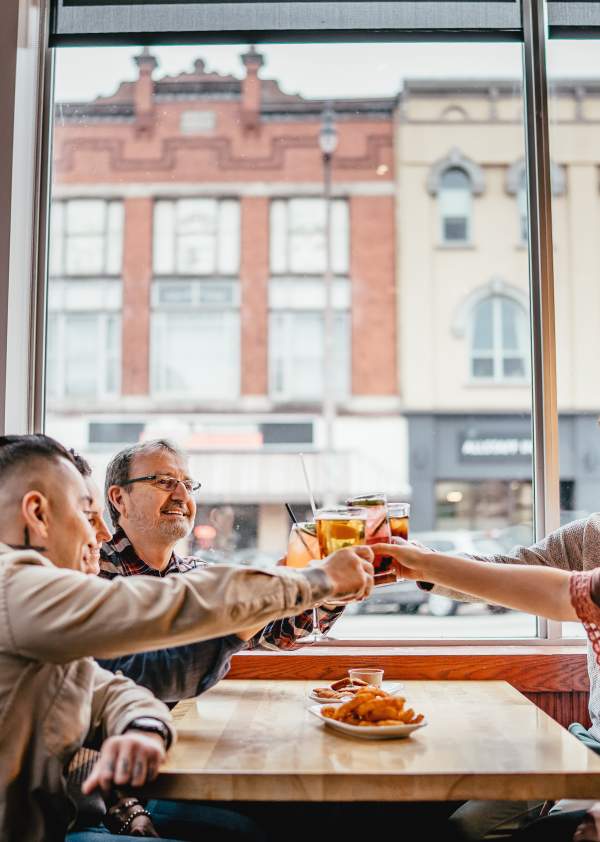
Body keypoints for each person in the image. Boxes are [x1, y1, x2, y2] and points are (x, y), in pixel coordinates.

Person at [0, 433, 374, 842]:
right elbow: (169, 611)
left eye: (187, 484)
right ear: (37, 513)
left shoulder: (43, 607)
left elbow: (110, 690)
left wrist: (142, 725)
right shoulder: (17, 589)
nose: (101, 535)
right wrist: (313, 579)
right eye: (86, 512)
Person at [374, 539, 600, 842]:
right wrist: (423, 564)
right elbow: (554, 590)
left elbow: (561, 594)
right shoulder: (591, 534)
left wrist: (425, 564)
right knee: (461, 826)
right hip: (587, 746)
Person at [96, 439, 351, 702]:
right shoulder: (89, 573)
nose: (182, 496)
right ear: (119, 499)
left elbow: (279, 634)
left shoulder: (198, 575)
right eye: (164, 482)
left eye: (188, 485)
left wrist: (335, 588)